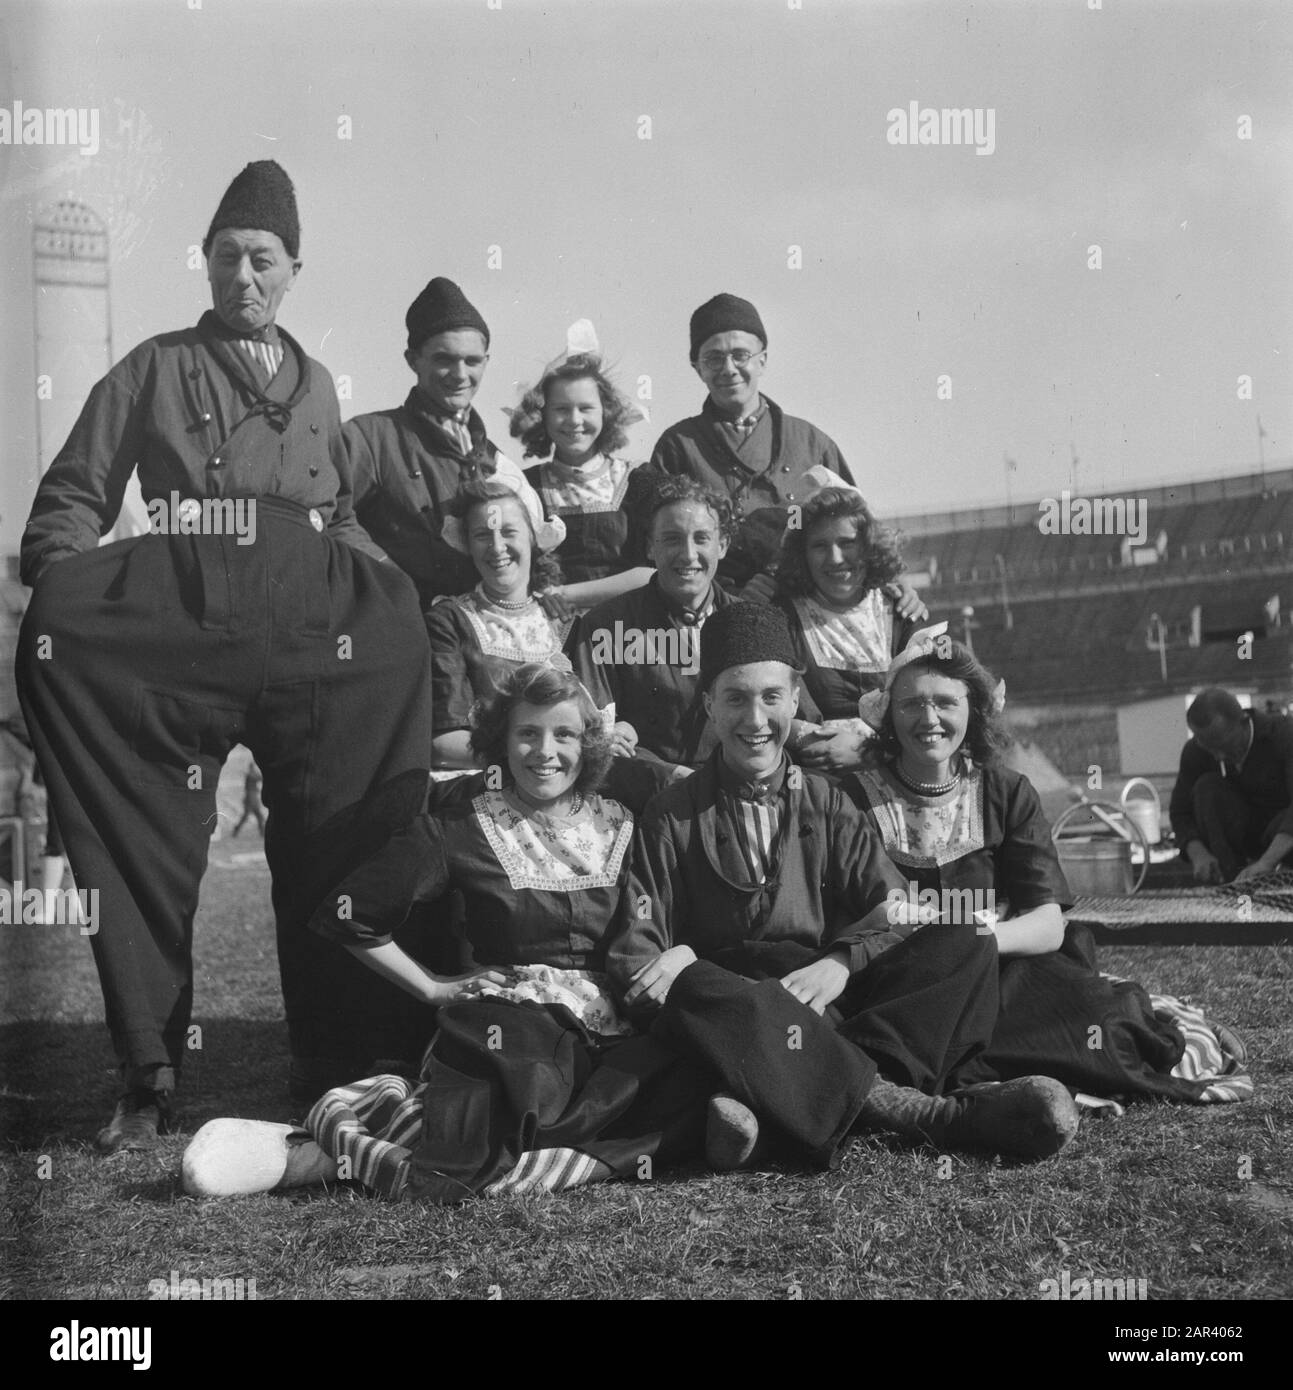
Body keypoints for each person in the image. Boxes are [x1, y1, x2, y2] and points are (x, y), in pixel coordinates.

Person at [16, 160, 435, 1148]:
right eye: (226, 257)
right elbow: (75, 490)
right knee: (144, 837)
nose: (242, 276)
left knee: (338, 819)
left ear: (294, 269)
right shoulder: (155, 366)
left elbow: (337, 517)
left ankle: (341, 1054)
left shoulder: (319, 383)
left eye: (262, 260)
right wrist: (66, 586)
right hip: (188, 609)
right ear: (203, 262)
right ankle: (150, 1073)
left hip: (308, 618)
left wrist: (391, 597)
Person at [181, 665, 725, 1202]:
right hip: (514, 1019)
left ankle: (425, 1150)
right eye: (527, 733)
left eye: (565, 734)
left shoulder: (626, 820)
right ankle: (352, 1149)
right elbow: (351, 913)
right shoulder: (465, 825)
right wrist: (433, 987)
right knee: (523, 1085)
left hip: (617, 1020)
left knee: (673, 1076)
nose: (545, 752)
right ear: (501, 742)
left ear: (588, 745)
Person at [611, 603, 1083, 1166]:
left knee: (963, 935)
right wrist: (683, 959)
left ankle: (778, 1100)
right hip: (743, 1006)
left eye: (770, 697)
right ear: (709, 705)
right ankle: (922, 1112)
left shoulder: (828, 801)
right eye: (735, 698)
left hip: (822, 1001)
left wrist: (840, 961)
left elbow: (895, 911)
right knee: (696, 989)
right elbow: (635, 950)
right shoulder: (669, 814)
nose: (754, 719)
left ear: (794, 700)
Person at [845, 638, 1251, 1104]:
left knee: (1099, 1027)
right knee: (940, 1050)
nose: (929, 719)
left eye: (945, 702)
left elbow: (1047, 923)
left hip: (1002, 970)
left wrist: (968, 945)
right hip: (900, 977)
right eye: (912, 703)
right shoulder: (853, 798)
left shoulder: (1006, 791)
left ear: (972, 709)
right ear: (890, 714)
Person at [639, 293, 857, 600]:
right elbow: (659, 551)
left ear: (763, 360)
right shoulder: (677, 447)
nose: (728, 368)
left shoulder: (810, 442)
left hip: (814, 608)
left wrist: (894, 581)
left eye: (740, 355)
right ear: (697, 367)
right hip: (714, 613)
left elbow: (857, 531)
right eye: (714, 358)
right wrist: (730, 596)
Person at [343, 277, 541, 609]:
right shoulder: (368, 437)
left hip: (478, 635)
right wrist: (391, 579)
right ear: (412, 359)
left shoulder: (497, 461)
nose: (460, 374)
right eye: (443, 359)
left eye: (472, 361)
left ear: (486, 362)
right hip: (399, 626)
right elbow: (331, 517)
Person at [427, 476, 630, 768]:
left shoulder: (565, 622)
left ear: (533, 537)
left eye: (509, 532)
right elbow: (443, 744)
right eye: (483, 535)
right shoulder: (449, 621)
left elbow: (598, 724)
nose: (497, 548)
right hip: (487, 780)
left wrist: (619, 733)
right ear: (468, 545)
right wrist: (531, 760)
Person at [566, 476, 764, 773]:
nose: (687, 555)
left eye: (701, 538)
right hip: (648, 790)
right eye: (671, 538)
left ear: (722, 545)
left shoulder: (754, 624)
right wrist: (666, 775)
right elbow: (597, 731)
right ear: (650, 547)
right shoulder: (605, 627)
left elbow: (786, 713)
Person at [774, 468, 933, 775]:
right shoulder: (783, 618)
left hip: (900, 772)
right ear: (802, 553)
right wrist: (814, 740)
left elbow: (931, 705)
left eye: (847, 542)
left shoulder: (902, 612)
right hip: (819, 783)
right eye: (819, 545)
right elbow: (772, 706)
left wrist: (871, 753)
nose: (835, 558)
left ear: (868, 545)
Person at [511, 320, 655, 610]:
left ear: (607, 413)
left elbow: (652, 573)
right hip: (548, 631)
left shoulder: (639, 480)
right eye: (561, 409)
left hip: (629, 628)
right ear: (543, 416)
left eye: (586, 408)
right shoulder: (524, 486)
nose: (575, 421)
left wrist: (565, 595)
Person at [1168, 687, 1293, 884]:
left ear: (1243, 722)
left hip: (1283, 839)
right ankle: (1234, 885)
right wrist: (1198, 853)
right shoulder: (1196, 751)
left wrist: (1266, 863)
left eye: (1225, 746)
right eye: (1211, 749)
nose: (1220, 756)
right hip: (1244, 838)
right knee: (1206, 788)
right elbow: (1180, 812)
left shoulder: (1284, 735)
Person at [231, 759, 266, 838]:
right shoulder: (251, 775)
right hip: (251, 798)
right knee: (257, 816)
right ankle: (262, 832)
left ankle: (262, 832)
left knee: (253, 816)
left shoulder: (250, 774)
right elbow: (260, 777)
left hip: (251, 798)